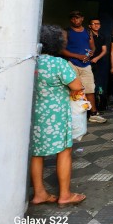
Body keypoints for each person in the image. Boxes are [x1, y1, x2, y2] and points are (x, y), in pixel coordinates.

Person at [30, 24, 86, 206]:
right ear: (56, 43)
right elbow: (77, 86)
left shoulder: (32, 61)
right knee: (64, 151)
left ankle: (39, 194)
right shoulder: (58, 63)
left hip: (34, 115)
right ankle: (65, 195)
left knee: (36, 154)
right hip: (56, 115)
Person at [61, 11, 106, 123]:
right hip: (71, 63)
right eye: (73, 18)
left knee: (90, 89)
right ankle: (73, 114)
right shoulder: (66, 32)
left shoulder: (87, 31)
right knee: (73, 89)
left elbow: (93, 47)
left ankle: (93, 114)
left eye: (78, 18)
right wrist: (78, 56)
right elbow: (62, 50)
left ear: (82, 18)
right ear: (71, 20)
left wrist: (90, 53)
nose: (76, 20)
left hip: (86, 64)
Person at [88, 17, 108, 111]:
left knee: (100, 83)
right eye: (94, 23)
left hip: (100, 62)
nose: (96, 25)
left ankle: (100, 104)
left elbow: (104, 50)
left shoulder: (102, 36)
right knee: (90, 83)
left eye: (98, 23)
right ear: (89, 25)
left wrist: (96, 58)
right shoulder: (87, 35)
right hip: (88, 62)